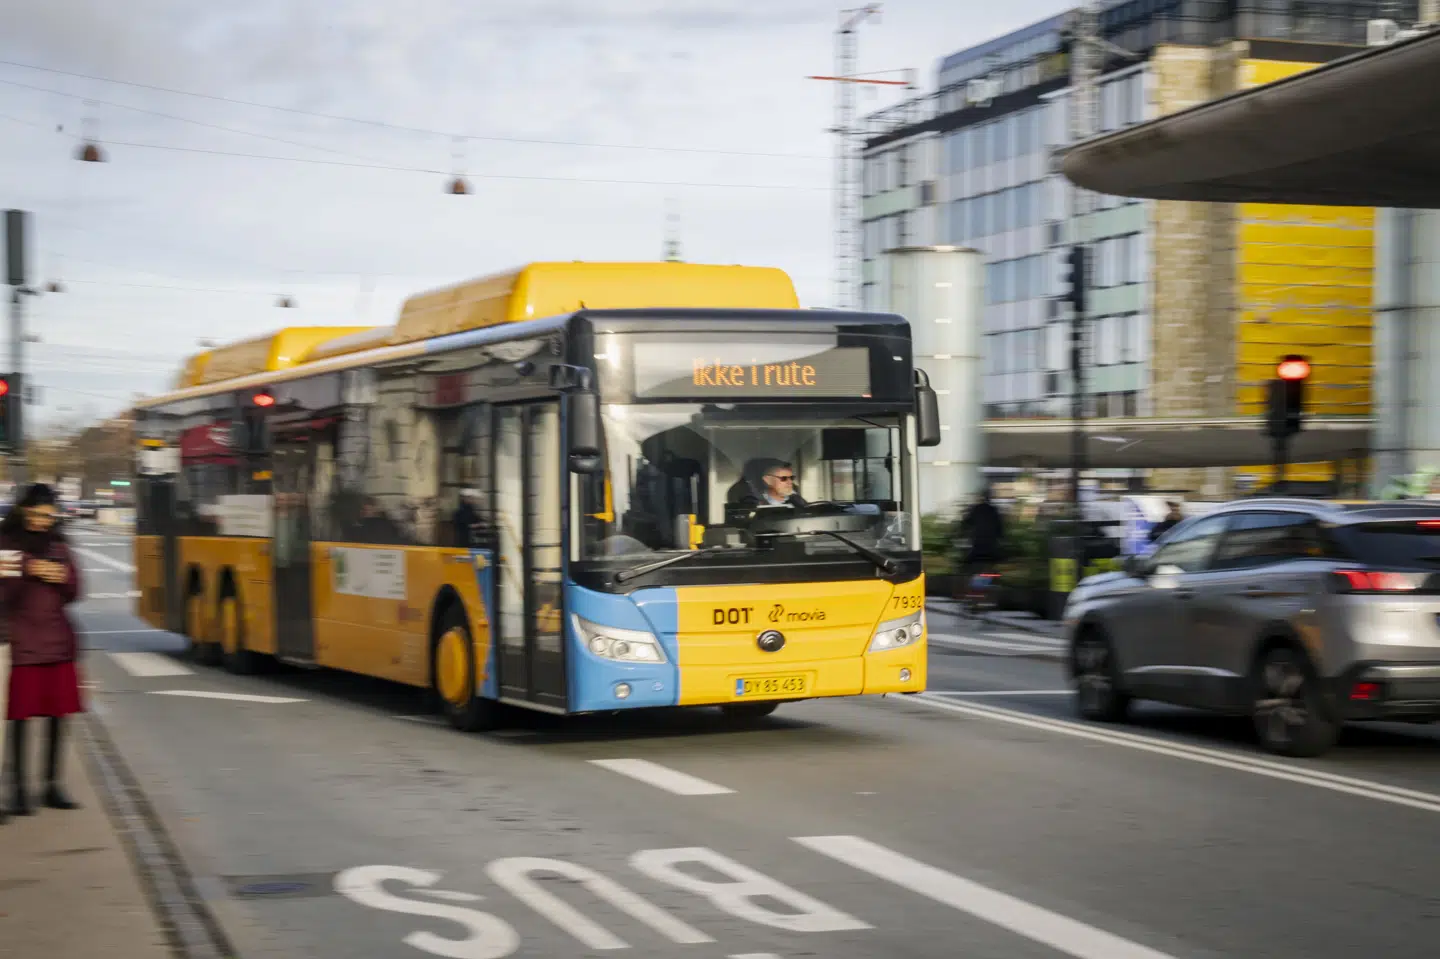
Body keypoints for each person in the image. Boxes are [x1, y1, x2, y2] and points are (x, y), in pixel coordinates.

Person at [1, 483, 84, 819]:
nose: (43, 521)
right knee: (20, 717)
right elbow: (4, 594)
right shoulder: (7, 544)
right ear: (24, 511)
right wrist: (29, 568)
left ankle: (52, 785)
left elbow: (76, 591)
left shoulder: (59, 544)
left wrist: (60, 576)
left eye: (48, 515)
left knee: (57, 717)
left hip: (58, 642)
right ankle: (19, 791)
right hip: (26, 642)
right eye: (37, 514)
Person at [953, 486, 1004, 603]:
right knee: (991, 569)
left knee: (965, 569)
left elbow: (964, 525)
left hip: (976, 548)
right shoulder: (995, 511)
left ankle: (968, 592)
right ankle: (988, 589)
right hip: (992, 550)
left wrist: (958, 536)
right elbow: (1001, 531)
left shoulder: (975, 509)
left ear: (982, 497)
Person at [726, 458, 808, 512]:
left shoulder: (798, 503)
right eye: (783, 478)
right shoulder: (752, 505)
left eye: (791, 478)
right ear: (767, 480)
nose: (790, 482)